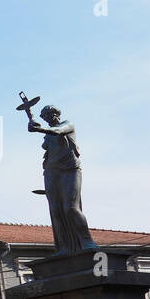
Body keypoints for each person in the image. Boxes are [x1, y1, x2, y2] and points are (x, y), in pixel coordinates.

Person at [28, 104, 96, 254]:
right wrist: (32, 126)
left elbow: (58, 131)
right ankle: (63, 247)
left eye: (49, 115)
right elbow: (46, 144)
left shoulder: (67, 125)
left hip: (69, 169)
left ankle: (87, 242)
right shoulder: (47, 133)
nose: (47, 119)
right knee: (56, 211)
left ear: (56, 114)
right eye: (44, 117)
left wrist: (38, 129)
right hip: (51, 171)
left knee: (70, 207)